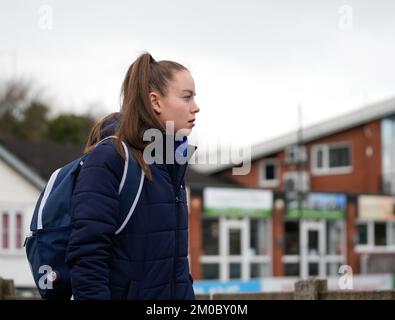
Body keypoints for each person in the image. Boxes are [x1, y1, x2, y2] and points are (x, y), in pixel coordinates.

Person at [65, 52, 200, 300]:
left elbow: (175, 266)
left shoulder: (171, 167)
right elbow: (88, 255)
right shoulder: (111, 158)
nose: (196, 107)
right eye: (187, 97)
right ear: (155, 102)